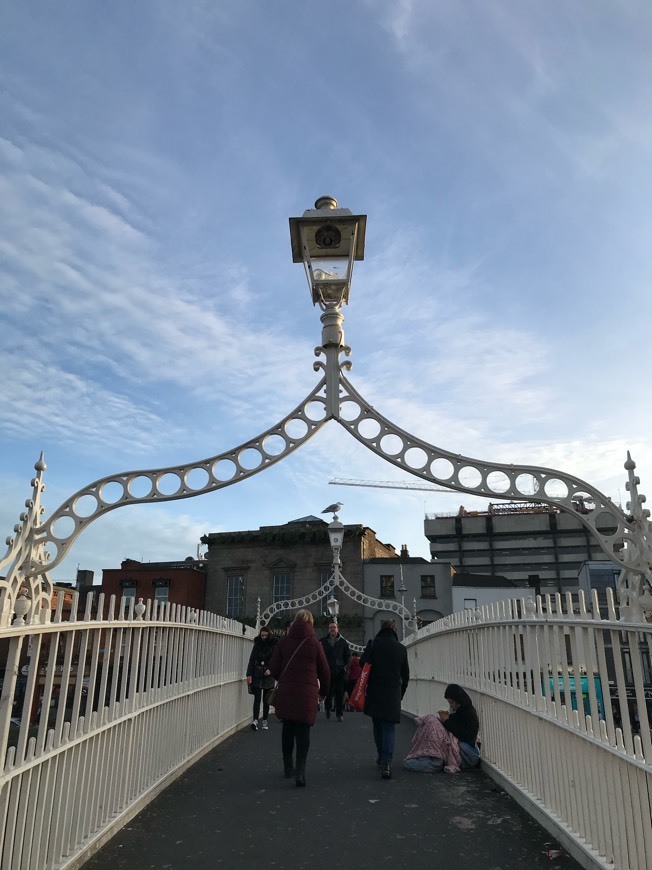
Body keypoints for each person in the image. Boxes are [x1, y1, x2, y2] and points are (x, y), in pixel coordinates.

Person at [269, 609, 330, 787]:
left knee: (287, 729)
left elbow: (273, 668)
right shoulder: (315, 644)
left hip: (287, 692)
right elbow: (325, 672)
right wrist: (323, 693)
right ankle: (300, 771)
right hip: (307, 694)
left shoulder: (284, 642)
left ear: (295, 622)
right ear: (310, 623)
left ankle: (288, 767)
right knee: (303, 733)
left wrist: (284, 679)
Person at [361, 619, 409, 780]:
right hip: (392, 691)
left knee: (377, 723)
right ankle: (387, 763)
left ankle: (381, 755)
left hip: (375, 689)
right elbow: (406, 675)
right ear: (394, 630)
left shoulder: (373, 644)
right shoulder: (401, 649)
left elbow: (363, 663)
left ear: (381, 629)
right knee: (389, 727)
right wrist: (400, 693)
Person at [404, 683, 481, 773]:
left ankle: (435, 759)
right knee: (432, 721)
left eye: (451, 702)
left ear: (458, 700)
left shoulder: (468, 714)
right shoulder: (462, 711)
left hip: (464, 753)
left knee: (433, 723)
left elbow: (463, 735)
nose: (450, 705)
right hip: (461, 748)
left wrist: (446, 721)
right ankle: (432, 756)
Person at [246, 625, 277, 731]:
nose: (263, 637)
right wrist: (249, 674)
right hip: (257, 673)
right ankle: (255, 719)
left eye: (265, 635)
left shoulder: (273, 645)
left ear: (269, 635)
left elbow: (276, 659)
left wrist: (271, 670)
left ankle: (265, 720)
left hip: (268, 674)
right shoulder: (257, 644)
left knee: (266, 699)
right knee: (257, 698)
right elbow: (251, 660)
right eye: (262, 635)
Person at [320, 620, 351, 721]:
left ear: (338, 629)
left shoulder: (343, 642)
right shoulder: (323, 641)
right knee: (328, 692)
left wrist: (345, 667)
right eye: (330, 627)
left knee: (339, 693)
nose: (332, 629)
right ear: (328, 630)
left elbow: (348, 655)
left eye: (334, 627)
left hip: (340, 670)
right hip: (327, 670)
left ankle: (339, 713)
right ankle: (328, 708)